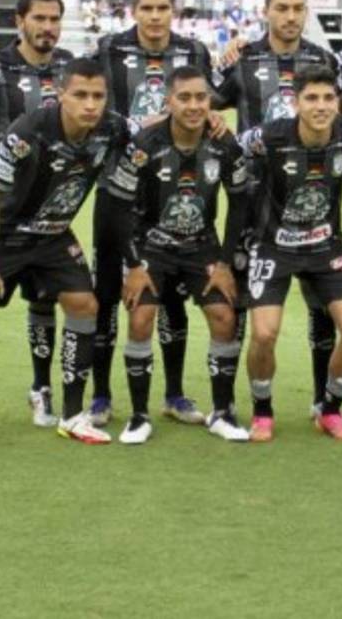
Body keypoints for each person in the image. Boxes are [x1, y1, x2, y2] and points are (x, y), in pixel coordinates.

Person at [0, 58, 131, 453]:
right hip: (5, 233)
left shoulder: (113, 128)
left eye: (98, 96)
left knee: (85, 305)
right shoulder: (25, 133)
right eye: (80, 95)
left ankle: (71, 415)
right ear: (60, 95)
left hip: (52, 234)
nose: (90, 104)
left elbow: (151, 134)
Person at [213, 0, 342, 422]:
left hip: (313, 203)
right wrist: (221, 59)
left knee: (321, 304)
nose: (290, 16)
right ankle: (228, 402)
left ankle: (321, 401)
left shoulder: (324, 59)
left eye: (297, 8)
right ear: (266, 10)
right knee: (244, 304)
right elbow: (208, 105)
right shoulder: (244, 60)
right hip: (255, 204)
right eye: (282, 8)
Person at [88, 0, 215, 427]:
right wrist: (138, 128)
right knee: (105, 296)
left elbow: (208, 103)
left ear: (173, 10)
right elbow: (90, 102)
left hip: (175, 189)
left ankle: (175, 394)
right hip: (118, 190)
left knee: (171, 297)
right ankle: (101, 395)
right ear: (134, 10)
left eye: (163, 8)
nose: (156, 17)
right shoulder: (109, 50)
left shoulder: (195, 52)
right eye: (148, 8)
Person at [105, 66, 251, 443]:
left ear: (211, 102)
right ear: (168, 101)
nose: (193, 105)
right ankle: (139, 416)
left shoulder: (225, 144)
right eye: (184, 98)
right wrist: (135, 265)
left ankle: (222, 412)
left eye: (201, 98)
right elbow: (118, 206)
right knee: (141, 319)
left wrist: (223, 262)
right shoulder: (145, 144)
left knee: (223, 317)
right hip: (150, 245)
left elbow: (239, 204)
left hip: (201, 247)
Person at [0, 0, 75, 429]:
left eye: (54, 19)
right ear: (19, 21)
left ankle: (41, 389)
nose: (48, 27)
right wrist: (27, 151)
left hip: (51, 209)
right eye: (40, 19)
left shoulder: (69, 68)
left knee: (46, 299)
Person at [239, 65, 342, 442]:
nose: (321, 106)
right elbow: (228, 147)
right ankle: (262, 412)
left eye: (328, 98)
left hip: (326, 247)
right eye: (311, 98)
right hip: (272, 247)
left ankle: (329, 410)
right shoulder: (269, 137)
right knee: (263, 334)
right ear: (295, 102)